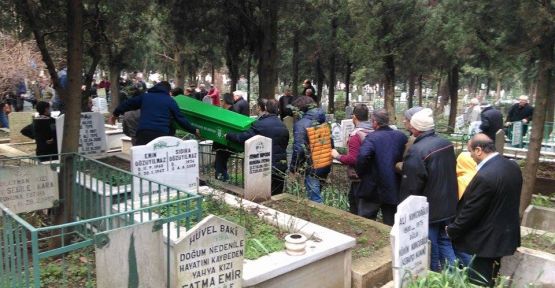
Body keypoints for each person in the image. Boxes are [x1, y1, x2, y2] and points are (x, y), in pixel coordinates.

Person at [447, 134, 522, 287]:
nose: (471, 156)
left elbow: (471, 210)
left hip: (485, 240)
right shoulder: (511, 166)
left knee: (478, 280)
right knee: (492, 275)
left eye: (471, 152)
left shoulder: (485, 176)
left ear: (479, 150)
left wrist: (452, 230)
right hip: (504, 234)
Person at [400, 108, 457, 272]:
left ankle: (434, 273)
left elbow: (412, 184)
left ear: (416, 128)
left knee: (429, 245)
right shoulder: (446, 143)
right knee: (445, 241)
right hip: (448, 203)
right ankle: (455, 277)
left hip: (430, 209)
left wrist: (405, 209)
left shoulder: (417, 150)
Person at [354, 109, 407, 225]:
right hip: (393, 185)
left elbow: (363, 156)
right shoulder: (401, 136)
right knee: (391, 223)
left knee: (365, 222)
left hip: (373, 186)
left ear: (374, 122)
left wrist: (361, 173)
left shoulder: (372, 138)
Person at [226, 99, 289, 195]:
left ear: (266, 109)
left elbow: (243, 137)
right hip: (281, 165)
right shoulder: (283, 125)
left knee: (262, 195)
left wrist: (229, 135)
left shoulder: (261, 124)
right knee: (276, 196)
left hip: (264, 166)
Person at [110, 81, 199, 145]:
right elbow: (180, 118)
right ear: (168, 91)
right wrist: (193, 130)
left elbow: (127, 104)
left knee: (143, 160)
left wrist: (115, 114)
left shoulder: (145, 97)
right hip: (161, 134)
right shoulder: (170, 101)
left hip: (143, 133)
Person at [331, 104, 373, 214]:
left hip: (358, 177)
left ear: (354, 117)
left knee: (357, 207)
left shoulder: (356, 135)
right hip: (372, 175)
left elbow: (353, 159)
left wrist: (337, 155)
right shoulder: (373, 130)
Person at [289, 96, 330, 203]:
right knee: (317, 192)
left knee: (315, 199)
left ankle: (318, 219)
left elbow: (299, 148)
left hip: (312, 166)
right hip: (325, 162)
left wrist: (293, 169)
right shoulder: (322, 118)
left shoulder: (302, 124)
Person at [213, 93, 235, 182]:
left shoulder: (229, 113)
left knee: (219, 165)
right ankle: (224, 180)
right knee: (221, 164)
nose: (221, 102)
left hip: (224, 144)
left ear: (225, 101)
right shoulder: (229, 111)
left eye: (222, 100)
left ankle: (223, 182)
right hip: (222, 143)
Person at [395, 106, 423, 172]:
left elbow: (407, 166)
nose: (403, 121)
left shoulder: (414, 139)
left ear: (413, 121)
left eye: (406, 119)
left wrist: (397, 165)